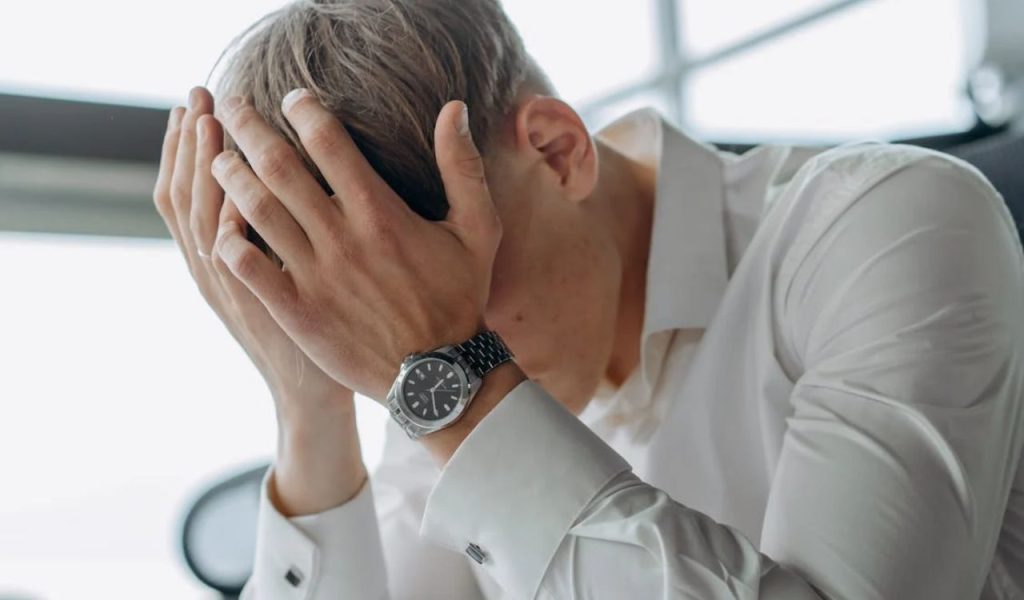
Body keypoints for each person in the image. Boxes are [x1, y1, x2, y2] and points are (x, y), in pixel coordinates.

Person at [153, 0, 1024, 598]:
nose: (421, 352)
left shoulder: (887, 224)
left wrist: (456, 375)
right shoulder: (434, 377)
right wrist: (309, 404)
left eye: (450, 294)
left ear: (558, 149)